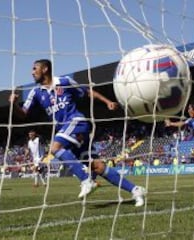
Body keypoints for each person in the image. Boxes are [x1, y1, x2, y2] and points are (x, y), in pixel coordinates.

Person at [9, 59, 146, 207]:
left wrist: (107, 102)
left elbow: (87, 92)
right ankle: (135, 190)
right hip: (70, 131)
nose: (32, 72)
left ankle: (86, 180)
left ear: (45, 69)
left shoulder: (64, 81)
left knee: (55, 148)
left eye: (35, 68)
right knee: (97, 166)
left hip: (76, 121)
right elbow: (23, 114)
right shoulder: (35, 92)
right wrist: (14, 104)